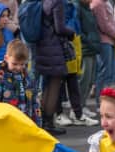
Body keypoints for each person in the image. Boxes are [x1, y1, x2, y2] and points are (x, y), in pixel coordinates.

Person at [36, 0, 76, 135]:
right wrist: (71, 32)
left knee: (46, 84)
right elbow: (60, 28)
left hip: (42, 45)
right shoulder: (56, 2)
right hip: (53, 47)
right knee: (54, 84)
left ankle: (42, 121)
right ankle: (48, 122)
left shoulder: (42, 2)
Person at [0, 39, 42, 126]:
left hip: (25, 122)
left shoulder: (29, 77)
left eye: (22, 64)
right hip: (6, 124)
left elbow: (35, 102)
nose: (18, 67)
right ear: (6, 58)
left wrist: (38, 123)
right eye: (14, 64)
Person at [91, 0, 115, 107]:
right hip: (104, 41)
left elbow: (111, 21)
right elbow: (104, 25)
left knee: (111, 73)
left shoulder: (106, 3)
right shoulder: (98, 4)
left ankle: (109, 101)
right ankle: (102, 103)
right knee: (105, 74)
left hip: (110, 40)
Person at [76, 0, 101, 118]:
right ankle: (78, 107)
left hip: (92, 48)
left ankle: (83, 105)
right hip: (85, 49)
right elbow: (78, 31)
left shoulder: (88, 8)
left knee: (90, 80)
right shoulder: (77, 7)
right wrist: (89, 42)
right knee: (84, 80)